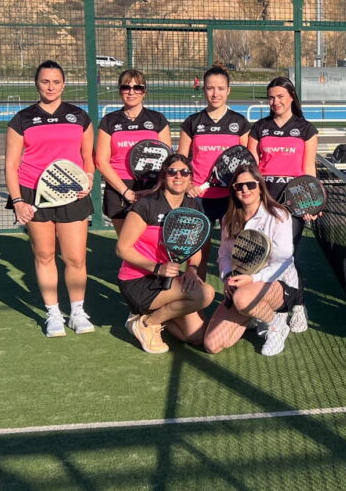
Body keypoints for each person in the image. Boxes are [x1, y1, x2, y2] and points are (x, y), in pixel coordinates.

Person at [4, 60, 96, 338]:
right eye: (45, 81)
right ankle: (53, 313)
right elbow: (11, 165)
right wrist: (18, 201)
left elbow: (88, 158)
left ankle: (77, 312)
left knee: (75, 258)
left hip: (72, 194)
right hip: (33, 193)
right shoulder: (22, 119)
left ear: (64, 84)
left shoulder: (79, 117)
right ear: (37, 84)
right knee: (44, 255)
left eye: (56, 82)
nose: (51, 87)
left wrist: (88, 178)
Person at [114, 155, 216, 354]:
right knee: (205, 293)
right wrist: (157, 268)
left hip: (168, 279)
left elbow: (195, 247)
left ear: (190, 177)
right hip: (138, 280)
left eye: (184, 172)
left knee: (196, 336)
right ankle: (147, 324)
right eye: (172, 172)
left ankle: (146, 315)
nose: (178, 176)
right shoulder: (147, 204)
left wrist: (192, 270)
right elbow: (122, 248)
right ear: (163, 175)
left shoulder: (192, 206)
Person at [202, 165, 301, 356]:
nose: (245, 189)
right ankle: (253, 313)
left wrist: (253, 279)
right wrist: (227, 277)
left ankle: (276, 325)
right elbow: (224, 255)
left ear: (260, 187)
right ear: (233, 190)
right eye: (239, 186)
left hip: (278, 285)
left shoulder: (278, 215)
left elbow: (284, 260)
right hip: (242, 286)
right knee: (212, 344)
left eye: (250, 184)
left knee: (242, 299)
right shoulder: (229, 218)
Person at [247, 76, 318, 333]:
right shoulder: (259, 128)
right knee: (260, 256)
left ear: (291, 97)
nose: (275, 101)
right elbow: (252, 168)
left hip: (294, 203)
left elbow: (308, 169)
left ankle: (298, 306)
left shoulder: (306, 129)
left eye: (280, 96)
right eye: (271, 97)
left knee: (287, 256)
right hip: (263, 200)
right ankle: (261, 306)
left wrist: (311, 204)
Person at [178, 65, 251, 280]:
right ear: (204, 90)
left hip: (232, 198)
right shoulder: (192, 123)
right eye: (210, 88)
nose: (215, 93)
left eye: (220, 88)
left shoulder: (240, 123)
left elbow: (246, 162)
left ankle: (237, 296)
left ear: (228, 90)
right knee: (198, 252)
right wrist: (188, 185)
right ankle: (194, 294)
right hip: (199, 198)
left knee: (237, 251)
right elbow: (180, 161)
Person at [95, 70, 172, 234]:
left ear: (144, 92)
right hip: (118, 188)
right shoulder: (109, 121)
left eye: (137, 87)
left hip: (152, 186)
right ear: (119, 91)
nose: (131, 92)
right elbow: (101, 161)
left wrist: (153, 189)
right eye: (126, 87)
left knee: (151, 240)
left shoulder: (157, 119)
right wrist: (125, 191)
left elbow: (168, 160)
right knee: (125, 243)